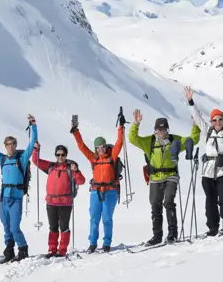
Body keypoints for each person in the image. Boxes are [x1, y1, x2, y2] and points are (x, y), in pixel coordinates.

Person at [127, 110, 200, 245]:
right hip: (155, 178)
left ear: (167, 129)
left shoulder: (174, 140)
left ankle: (172, 233)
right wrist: (136, 124)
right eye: (159, 129)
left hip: (171, 176)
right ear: (155, 129)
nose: (161, 131)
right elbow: (132, 139)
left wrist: (196, 124)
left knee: (168, 202)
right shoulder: (149, 141)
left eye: (164, 129)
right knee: (155, 205)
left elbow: (193, 139)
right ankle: (157, 236)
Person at [185, 84, 223, 236]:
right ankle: (213, 227)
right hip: (207, 172)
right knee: (209, 201)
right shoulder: (208, 131)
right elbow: (198, 118)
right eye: (214, 120)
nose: (217, 122)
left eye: (220, 119)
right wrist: (190, 102)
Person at [0, 115, 38, 263]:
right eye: (8, 144)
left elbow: (32, 142)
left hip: (16, 198)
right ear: (5, 145)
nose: (11, 146)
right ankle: (9, 251)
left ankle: (23, 249)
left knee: (14, 227)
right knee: (6, 227)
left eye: (13, 143)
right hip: (4, 198)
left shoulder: (21, 159)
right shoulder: (2, 159)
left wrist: (33, 126)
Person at [70, 113, 125, 252]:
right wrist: (75, 131)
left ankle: (106, 243)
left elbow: (119, 143)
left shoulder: (112, 157)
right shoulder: (93, 158)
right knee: (94, 218)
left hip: (110, 191)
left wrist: (121, 126)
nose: (100, 149)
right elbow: (81, 146)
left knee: (107, 219)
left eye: (102, 147)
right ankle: (92, 243)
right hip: (95, 191)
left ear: (106, 147)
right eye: (98, 147)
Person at [31, 141, 86, 257]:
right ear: (56, 155)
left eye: (62, 154)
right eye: (58, 154)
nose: (60, 157)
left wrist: (76, 171)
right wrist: (36, 150)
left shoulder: (71, 168)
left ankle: (62, 250)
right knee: (53, 227)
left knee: (64, 227)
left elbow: (81, 181)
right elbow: (36, 161)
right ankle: (52, 250)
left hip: (65, 203)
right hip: (51, 202)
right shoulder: (51, 166)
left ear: (66, 155)